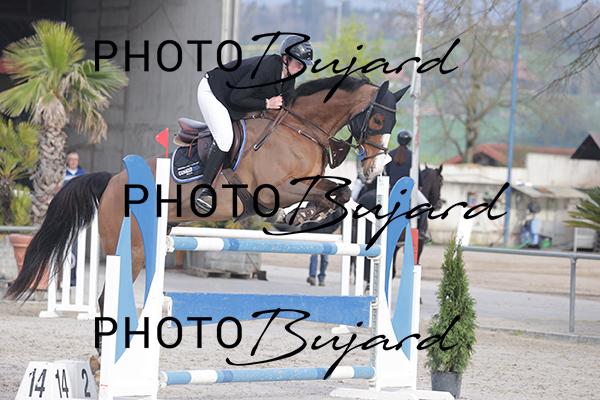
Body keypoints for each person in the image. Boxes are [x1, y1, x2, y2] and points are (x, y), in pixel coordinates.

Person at [194, 35, 314, 212]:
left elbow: (289, 107)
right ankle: (204, 190)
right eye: (298, 63)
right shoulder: (265, 69)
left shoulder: (289, 76)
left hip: (235, 98)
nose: (301, 68)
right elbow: (236, 97)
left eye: (304, 65)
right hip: (214, 92)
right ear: (285, 58)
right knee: (225, 139)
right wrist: (266, 103)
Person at [385, 129, 429, 241]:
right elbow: (418, 173)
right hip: (407, 190)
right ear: (409, 141)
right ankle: (421, 231)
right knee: (425, 206)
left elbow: (387, 172)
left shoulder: (391, 154)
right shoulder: (412, 155)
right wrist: (420, 185)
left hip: (392, 189)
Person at [304, 208, 343, 286]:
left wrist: (330, 229)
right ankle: (312, 276)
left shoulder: (332, 204)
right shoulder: (313, 202)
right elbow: (307, 215)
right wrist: (307, 228)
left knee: (324, 258)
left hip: (326, 235)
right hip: (315, 233)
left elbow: (338, 219)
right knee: (314, 256)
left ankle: (321, 277)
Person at [64, 151, 85, 285]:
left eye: (76, 159)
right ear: (67, 161)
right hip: (64, 214)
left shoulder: (82, 174)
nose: (73, 162)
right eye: (71, 159)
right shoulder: (61, 174)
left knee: (75, 247)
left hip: (76, 215)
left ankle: (72, 277)